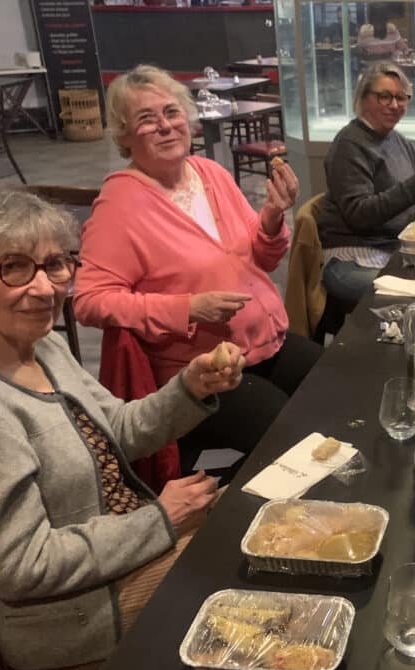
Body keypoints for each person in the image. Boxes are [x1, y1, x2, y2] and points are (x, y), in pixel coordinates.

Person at [0, 185, 244, 670]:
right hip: (72, 622)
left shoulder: (40, 345)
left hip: (117, 562)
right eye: (13, 267)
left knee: (259, 523)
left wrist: (189, 388)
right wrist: (160, 521)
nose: (46, 288)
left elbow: (116, 428)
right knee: (245, 566)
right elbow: (21, 567)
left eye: (55, 264)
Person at [74, 64, 322, 463]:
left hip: (264, 342)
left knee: (336, 388)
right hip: (201, 373)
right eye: (146, 119)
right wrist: (187, 307)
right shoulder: (119, 205)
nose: (165, 126)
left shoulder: (210, 172)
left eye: (172, 113)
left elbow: (262, 256)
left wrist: (273, 217)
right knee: (291, 440)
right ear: (125, 135)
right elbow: (89, 301)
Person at [316, 61, 415, 307]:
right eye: (384, 97)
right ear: (363, 98)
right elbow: (359, 214)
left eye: (401, 98)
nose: (394, 105)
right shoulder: (349, 145)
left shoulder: (395, 139)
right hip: (351, 257)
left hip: (388, 248)